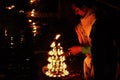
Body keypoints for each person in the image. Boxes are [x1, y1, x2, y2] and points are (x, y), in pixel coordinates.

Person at [68, 0, 96, 80]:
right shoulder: (82, 23)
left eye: (77, 10)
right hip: (91, 62)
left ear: (84, 8)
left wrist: (80, 49)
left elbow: (100, 50)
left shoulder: (95, 22)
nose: (75, 13)